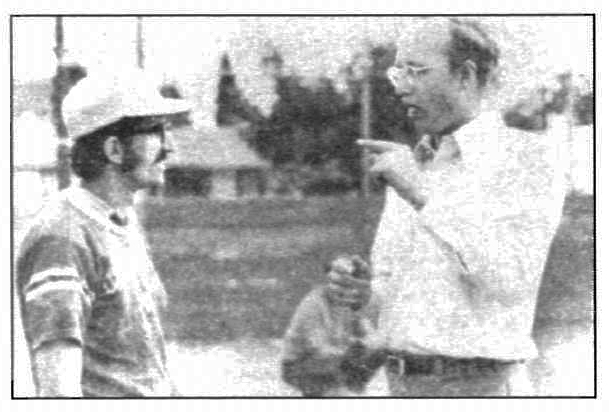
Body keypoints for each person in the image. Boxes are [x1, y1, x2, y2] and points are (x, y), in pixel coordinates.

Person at [358, 17, 568, 396]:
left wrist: (421, 194)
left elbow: (511, 282)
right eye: (397, 73)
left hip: (481, 387)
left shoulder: (526, 159)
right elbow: (388, 290)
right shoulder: (414, 165)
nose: (401, 88)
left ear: (466, 76)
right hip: (399, 387)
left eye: (416, 71)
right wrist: (358, 298)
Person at [16, 69, 191, 397]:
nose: (170, 147)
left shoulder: (122, 221)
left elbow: (148, 365)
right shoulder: (62, 239)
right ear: (114, 149)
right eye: (155, 130)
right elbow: (58, 393)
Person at [281, 255, 387, 397]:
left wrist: (371, 342)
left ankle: (352, 388)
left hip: (332, 359)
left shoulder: (350, 302)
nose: (351, 291)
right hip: (299, 364)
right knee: (351, 354)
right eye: (344, 285)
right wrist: (355, 348)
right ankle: (332, 391)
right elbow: (319, 347)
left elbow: (370, 333)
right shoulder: (314, 303)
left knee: (380, 350)